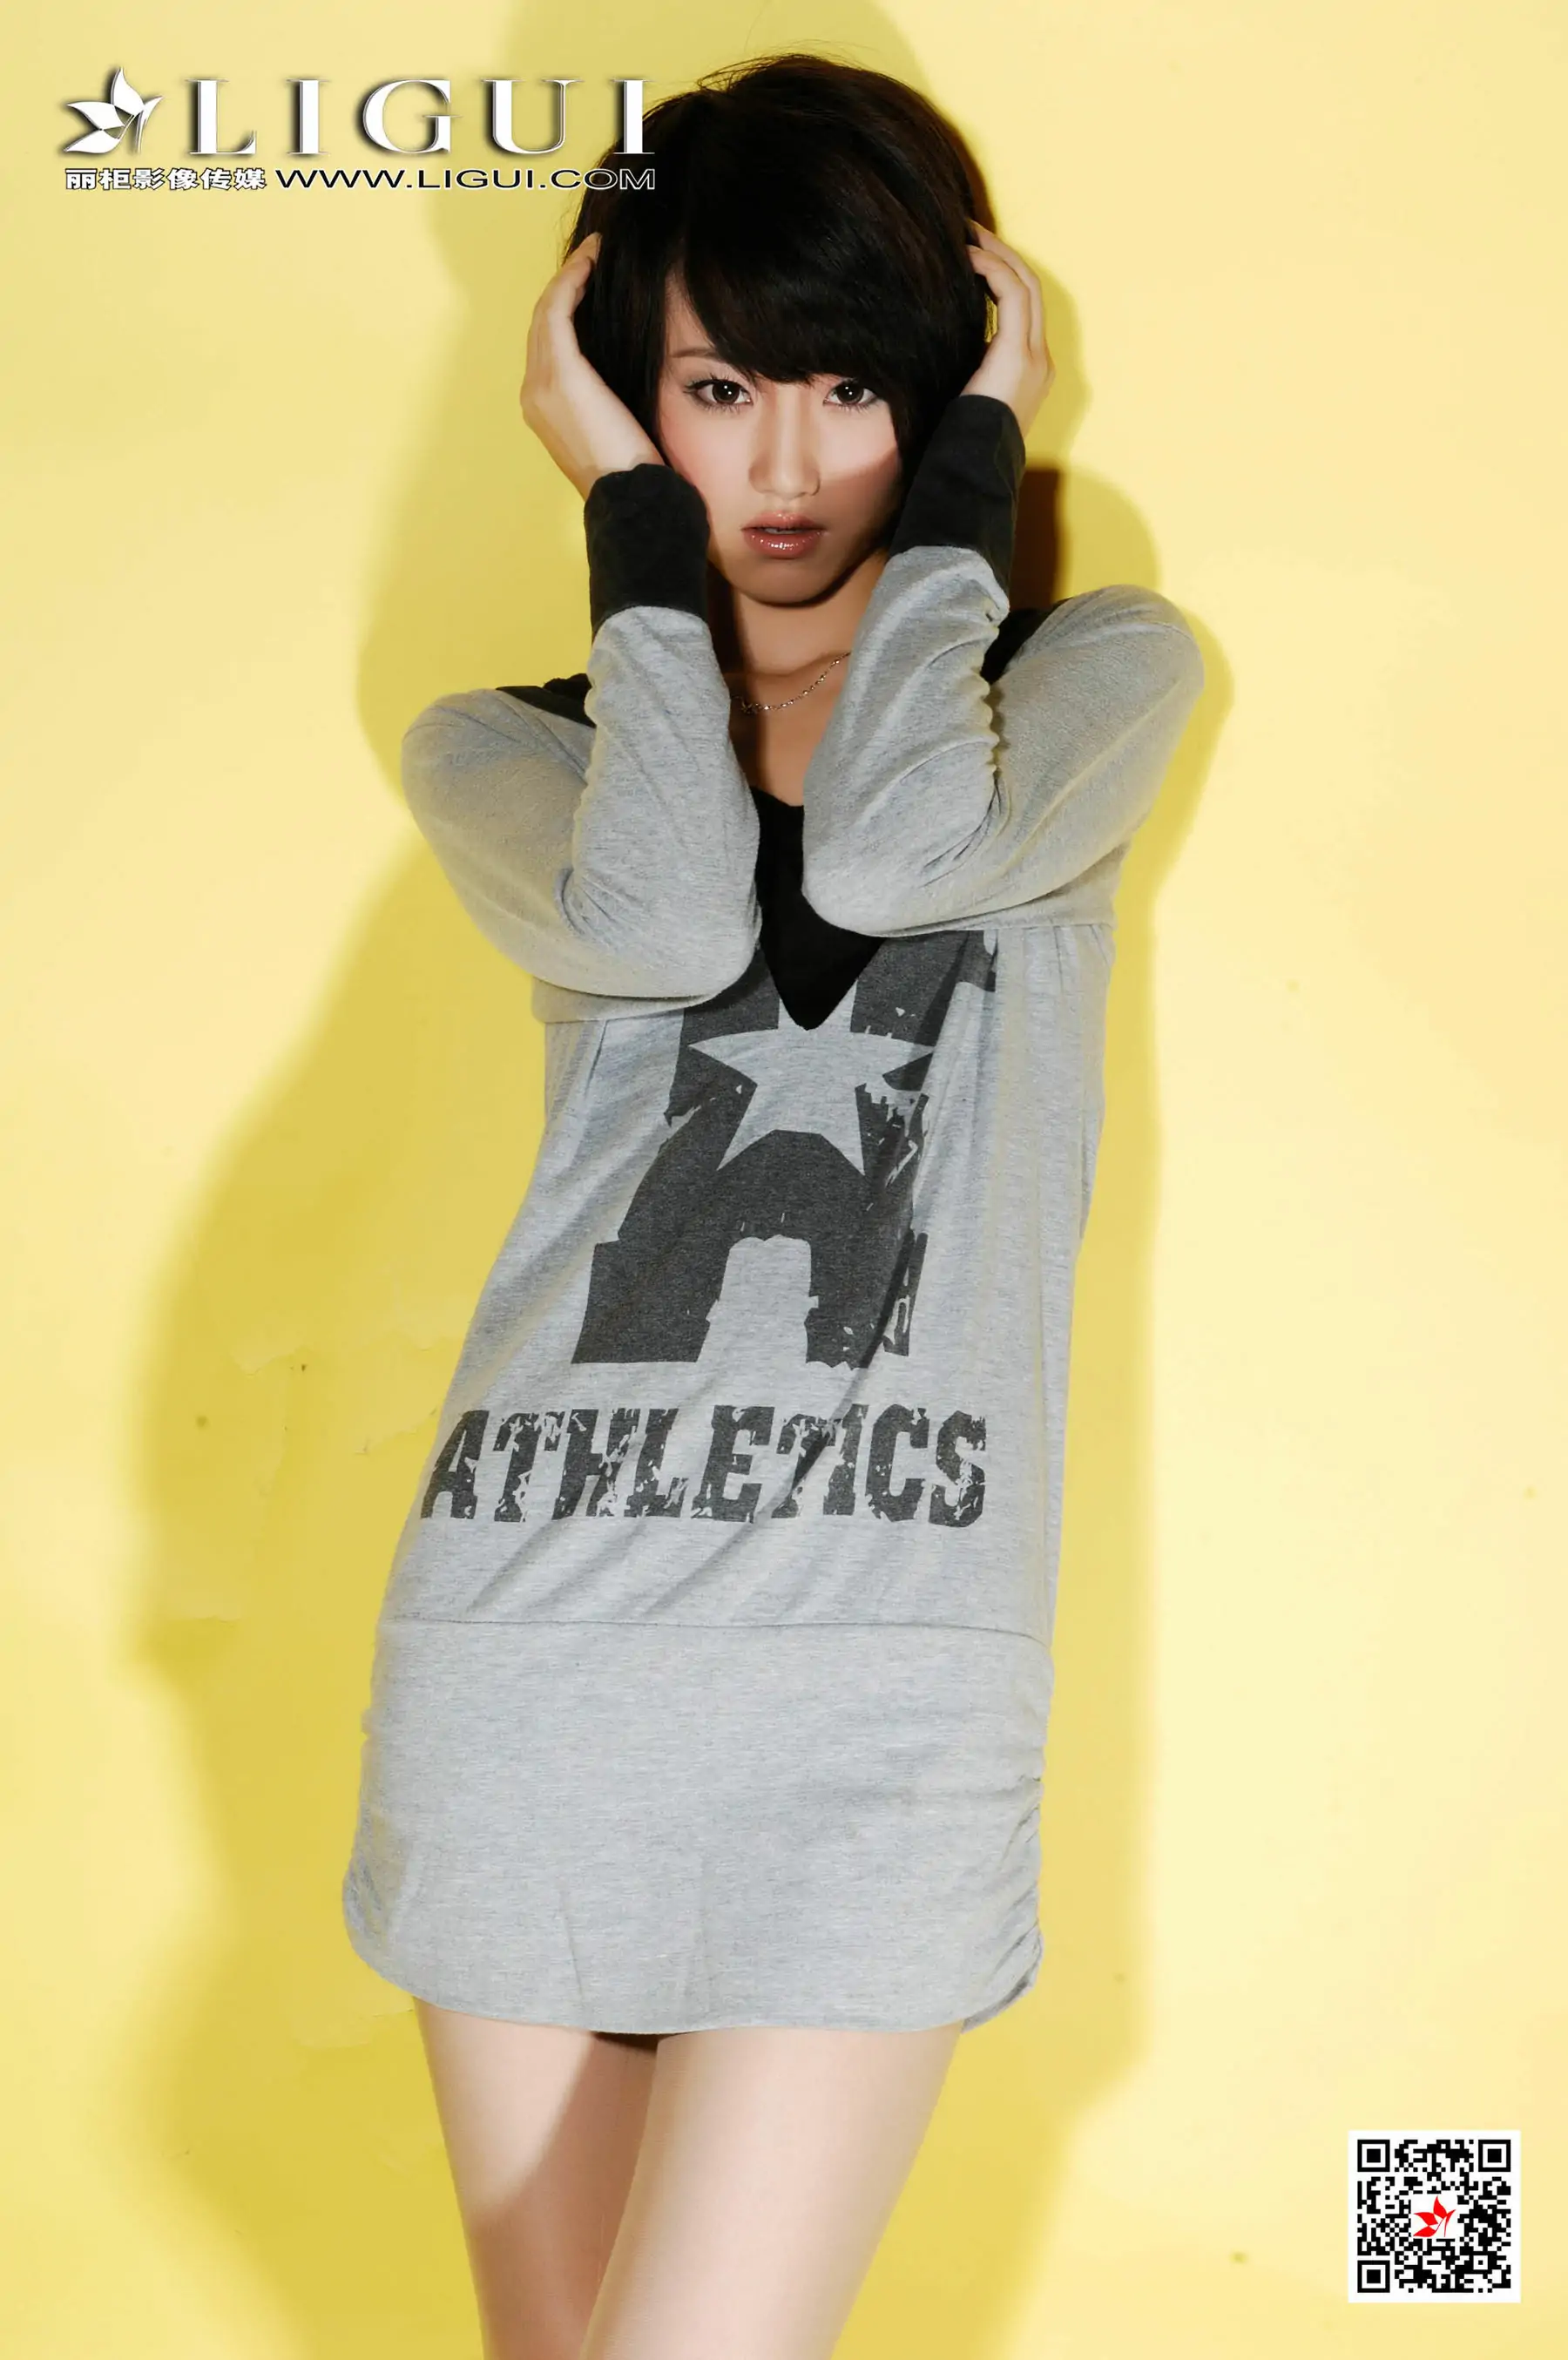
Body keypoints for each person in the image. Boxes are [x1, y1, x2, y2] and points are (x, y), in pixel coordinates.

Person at [341, 52, 1204, 2360]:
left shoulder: (1088, 684)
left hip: (876, 1699)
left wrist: (967, 503)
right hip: (531, 1653)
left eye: (854, 387)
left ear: (947, 396)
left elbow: (906, 854)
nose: (792, 465)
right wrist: (636, 555)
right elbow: (660, 915)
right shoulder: (510, 747)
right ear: (619, 404)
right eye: (718, 390)